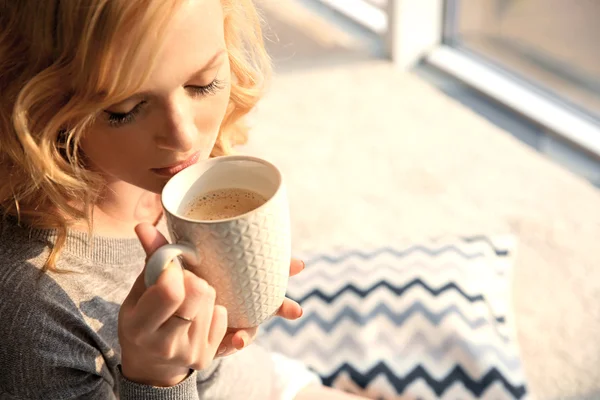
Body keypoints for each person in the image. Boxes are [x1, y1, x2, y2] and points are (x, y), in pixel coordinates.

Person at [0, 0, 367, 399]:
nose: (184, 138)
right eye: (125, 110)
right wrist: (157, 376)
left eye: (203, 83)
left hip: (268, 380)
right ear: (37, 100)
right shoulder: (32, 311)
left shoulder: (160, 177)